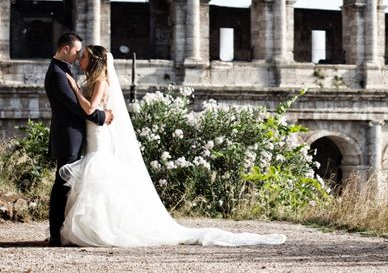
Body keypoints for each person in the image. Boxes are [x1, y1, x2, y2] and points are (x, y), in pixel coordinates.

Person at [59, 45, 286, 247]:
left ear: (96, 61)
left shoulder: (100, 82)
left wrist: (74, 88)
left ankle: (100, 229)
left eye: (85, 56)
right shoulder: (93, 81)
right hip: (95, 133)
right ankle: (96, 227)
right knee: (97, 181)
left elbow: (89, 109)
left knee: (99, 179)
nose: (80, 59)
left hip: (99, 137)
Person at [45, 32, 113, 247]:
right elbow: (76, 109)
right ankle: (56, 234)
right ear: (65, 49)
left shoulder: (63, 70)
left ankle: (66, 232)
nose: (77, 57)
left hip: (75, 136)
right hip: (68, 137)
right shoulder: (57, 73)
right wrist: (102, 117)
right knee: (62, 185)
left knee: (69, 185)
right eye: (76, 52)